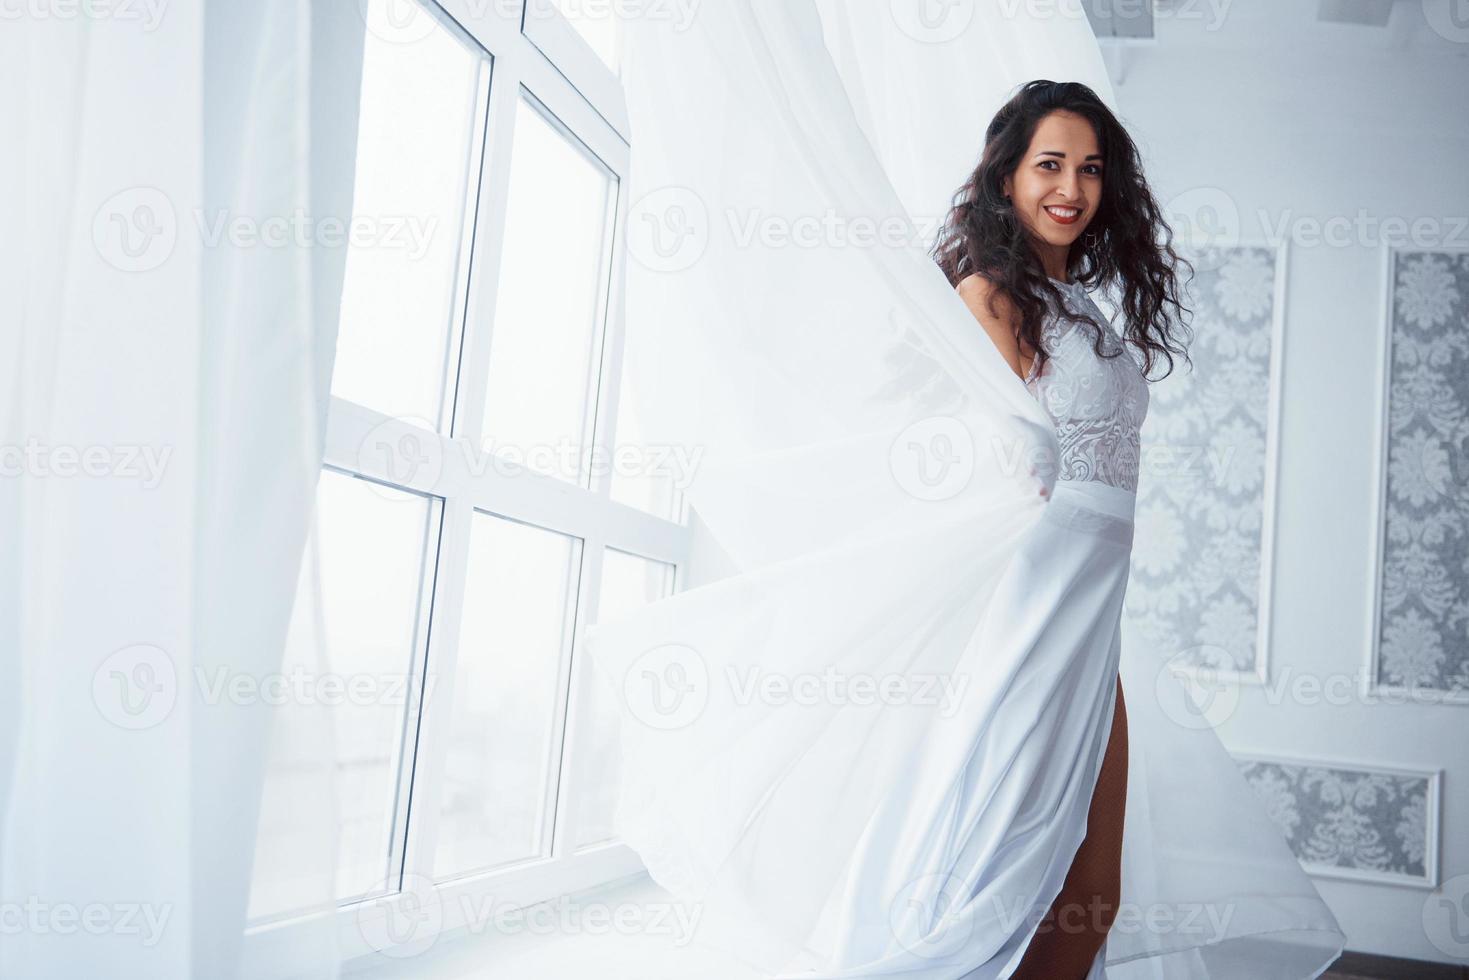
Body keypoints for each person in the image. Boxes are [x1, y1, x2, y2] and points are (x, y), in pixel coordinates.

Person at [934, 78, 1191, 980]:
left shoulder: (1084, 310)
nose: (1070, 189)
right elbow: (986, 468)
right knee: (1003, 878)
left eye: (1089, 169)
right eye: (1049, 164)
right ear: (1006, 176)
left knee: (1092, 887)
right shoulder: (989, 297)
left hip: (1095, 617)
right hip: (1029, 610)